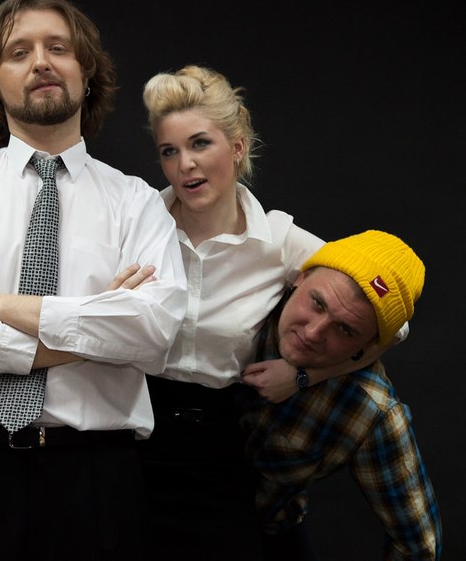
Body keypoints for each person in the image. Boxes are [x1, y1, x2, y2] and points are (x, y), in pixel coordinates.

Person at [0, 0, 188, 561]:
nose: (41, 63)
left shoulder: (137, 202)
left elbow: (153, 332)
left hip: (96, 478)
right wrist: (89, 333)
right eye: (19, 52)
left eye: (59, 48)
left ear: (87, 71)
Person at [137, 64, 395, 558]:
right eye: (169, 151)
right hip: (126, 440)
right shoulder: (136, 222)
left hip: (221, 453)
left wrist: (304, 376)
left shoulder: (279, 240)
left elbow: (391, 326)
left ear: (237, 147)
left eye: (199, 144)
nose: (184, 164)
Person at [240, 230, 442, 559]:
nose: (313, 332)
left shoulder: (369, 410)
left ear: (369, 347)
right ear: (300, 276)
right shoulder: (245, 300)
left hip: (264, 534)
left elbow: (418, 547)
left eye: (345, 330)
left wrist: (304, 377)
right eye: (317, 303)